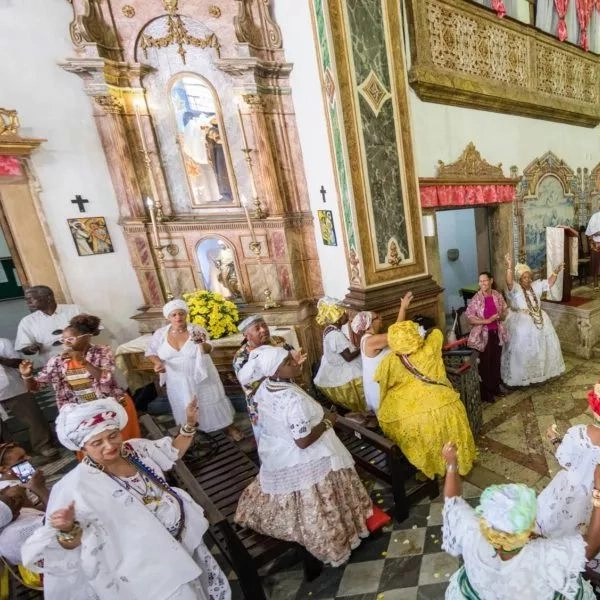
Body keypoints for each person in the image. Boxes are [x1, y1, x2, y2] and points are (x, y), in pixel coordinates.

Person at [21, 398, 231, 600]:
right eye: (97, 442)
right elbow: (72, 548)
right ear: (83, 448)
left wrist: (190, 424)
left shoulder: (134, 449)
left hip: (182, 542)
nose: (109, 445)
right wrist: (68, 530)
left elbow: (172, 451)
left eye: (113, 435)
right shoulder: (75, 487)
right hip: (145, 568)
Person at [234, 345, 372, 566]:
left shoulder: (265, 387)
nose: (295, 363)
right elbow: (303, 441)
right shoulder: (292, 400)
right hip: (308, 458)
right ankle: (335, 541)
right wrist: (328, 421)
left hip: (278, 455)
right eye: (288, 363)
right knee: (323, 503)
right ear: (275, 371)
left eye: (292, 359)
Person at [440, 441, 598, 599]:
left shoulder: (472, 533)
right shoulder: (542, 556)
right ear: (528, 529)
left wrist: (452, 464)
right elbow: (590, 547)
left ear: (485, 521)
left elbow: (452, 501)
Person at [374, 301, 476, 479]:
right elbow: (435, 331)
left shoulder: (389, 361)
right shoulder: (430, 347)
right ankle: (453, 463)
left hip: (411, 412)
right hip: (445, 403)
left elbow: (383, 385)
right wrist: (421, 334)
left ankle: (428, 467)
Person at [18, 314, 141, 442]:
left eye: (70, 339)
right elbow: (35, 387)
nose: (66, 343)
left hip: (112, 408)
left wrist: (84, 362)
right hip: (82, 414)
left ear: (87, 337)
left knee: (122, 445)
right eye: (63, 340)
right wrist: (27, 376)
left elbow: (106, 378)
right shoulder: (57, 360)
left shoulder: (102, 351)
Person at [146, 299, 242, 441]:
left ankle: (229, 426)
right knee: (184, 402)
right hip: (177, 378)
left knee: (210, 399)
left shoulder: (196, 329)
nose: (178, 317)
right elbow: (150, 352)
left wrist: (201, 343)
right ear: (168, 317)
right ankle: (188, 430)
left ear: (186, 315)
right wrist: (157, 363)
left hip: (201, 374)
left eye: (181, 314)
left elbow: (208, 349)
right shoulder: (160, 334)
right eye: (174, 315)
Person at [536, 382, 600, 539]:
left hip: (569, 489)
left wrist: (554, 438)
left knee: (559, 520)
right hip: (594, 500)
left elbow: (564, 460)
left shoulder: (577, 432)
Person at [232, 314, 305, 439]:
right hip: (263, 405)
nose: (263, 330)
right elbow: (249, 386)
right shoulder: (241, 358)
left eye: (264, 325)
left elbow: (293, 361)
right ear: (247, 335)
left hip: (289, 395)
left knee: (297, 432)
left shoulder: (278, 341)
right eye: (257, 328)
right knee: (270, 438)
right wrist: (276, 373)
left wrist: (295, 364)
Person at [501, 254, 565, 387]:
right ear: (519, 279)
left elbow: (549, 282)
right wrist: (509, 267)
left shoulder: (536, 286)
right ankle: (523, 376)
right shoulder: (516, 289)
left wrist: (556, 271)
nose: (528, 279)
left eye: (529, 276)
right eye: (524, 277)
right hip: (522, 322)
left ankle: (540, 374)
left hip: (540, 319)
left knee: (541, 347)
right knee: (523, 348)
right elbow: (508, 282)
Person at [350, 292, 413, 413]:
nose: (381, 318)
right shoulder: (370, 341)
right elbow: (395, 333)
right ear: (370, 324)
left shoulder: (370, 338)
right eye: (377, 317)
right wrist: (403, 308)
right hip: (378, 390)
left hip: (382, 384)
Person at [0, 338, 56, 457]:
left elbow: (19, 363)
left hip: (14, 388)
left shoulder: (3, 342)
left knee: (34, 419)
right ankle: (9, 457)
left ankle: (43, 446)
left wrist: (1, 359)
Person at [313, 297, 365, 412]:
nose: (346, 316)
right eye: (344, 314)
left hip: (333, 366)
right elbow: (348, 357)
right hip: (344, 371)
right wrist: (362, 347)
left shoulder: (329, 329)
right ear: (337, 317)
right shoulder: (336, 336)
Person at [465, 271, 509, 403]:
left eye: (485, 280)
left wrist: (500, 316)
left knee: (496, 360)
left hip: (497, 333)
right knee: (485, 363)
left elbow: (504, 312)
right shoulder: (476, 298)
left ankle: (496, 388)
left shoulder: (497, 295)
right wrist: (487, 321)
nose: (482, 283)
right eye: (480, 281)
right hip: (483, 335)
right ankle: (487, 392)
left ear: (491, 281)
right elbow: (470, 318)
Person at [15, 286, 81, 367]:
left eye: (30, 298)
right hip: (52, 367)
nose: (28, 302)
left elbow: (96, 330)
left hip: (82, 360)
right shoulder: (27, 321)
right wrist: (31, 348)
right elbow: (24, 348)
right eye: (26, 299)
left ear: (49, 297)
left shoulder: (75, 310)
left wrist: (76, 334)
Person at [586, 208, 600, 289]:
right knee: (596, 263)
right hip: (596, 243)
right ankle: (595, 282)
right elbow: (591, 231)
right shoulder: (595, 217)